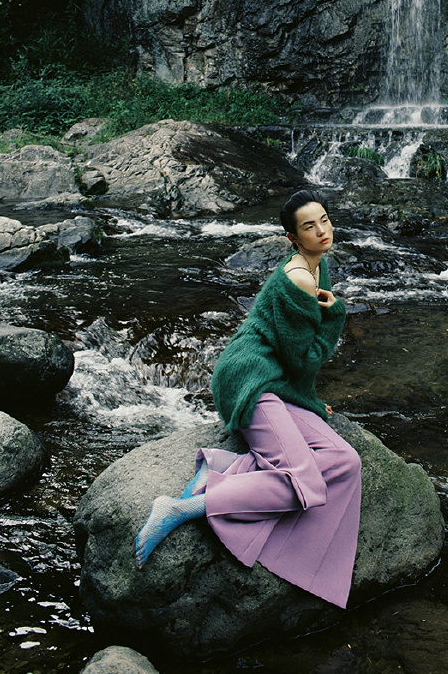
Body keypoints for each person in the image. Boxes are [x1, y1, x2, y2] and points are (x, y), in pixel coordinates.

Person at [134, 189, 361, 609]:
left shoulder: (318, 264)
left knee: (346, 462)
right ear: (293, 237)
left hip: (275, 380)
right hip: (249, 379)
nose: (322, 230)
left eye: (324, 220)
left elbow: (294, 360)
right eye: (309, 226)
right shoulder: (299, 279)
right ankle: (181, 508)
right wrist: (336, 315)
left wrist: (308, 401)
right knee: (303, 482)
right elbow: (302, 359)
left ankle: (223, 468)